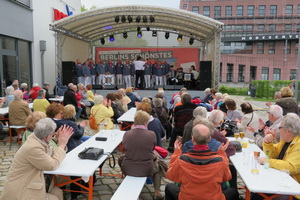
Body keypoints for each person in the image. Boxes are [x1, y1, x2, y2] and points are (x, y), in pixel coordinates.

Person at [0, 118, 73, 200]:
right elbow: (52, 165)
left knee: (58, 191)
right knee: (54, 198)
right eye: (52, 134)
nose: (53, 136)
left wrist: (58, 140)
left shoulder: (37, 139)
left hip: (32, 183)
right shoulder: (33, 147)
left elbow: (51, 154)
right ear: (47, 136)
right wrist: (61, 145)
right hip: (22, 190)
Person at [165, 124, 239, 200]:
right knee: (233, 191)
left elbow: (171, 175)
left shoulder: (181, 159)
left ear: (193, 138)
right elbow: (226, 177)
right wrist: (222, 153)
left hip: (188, 197)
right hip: (213, 198)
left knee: (169, 187)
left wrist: (176, 153)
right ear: (209, 138)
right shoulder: (220, 160)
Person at [120, 110, 164, 200]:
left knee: (122, 159)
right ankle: (157, 192)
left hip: (128, 168)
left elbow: (125, 148)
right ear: (146, 122)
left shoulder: (127, 134)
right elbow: (152, 149)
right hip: (146, 169)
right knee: (159, 165)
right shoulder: (151, 134)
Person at [257, 113, 300, 200]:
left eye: (280, 127)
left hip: (293, 190)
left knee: (260, 191)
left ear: (288, 131)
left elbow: (291, 167)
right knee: (258, 188)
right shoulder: (285, 141)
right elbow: (272, 155)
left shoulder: (298, 144)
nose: (277, 130)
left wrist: (267, 161)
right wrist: (268, 143)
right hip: (283, 181)